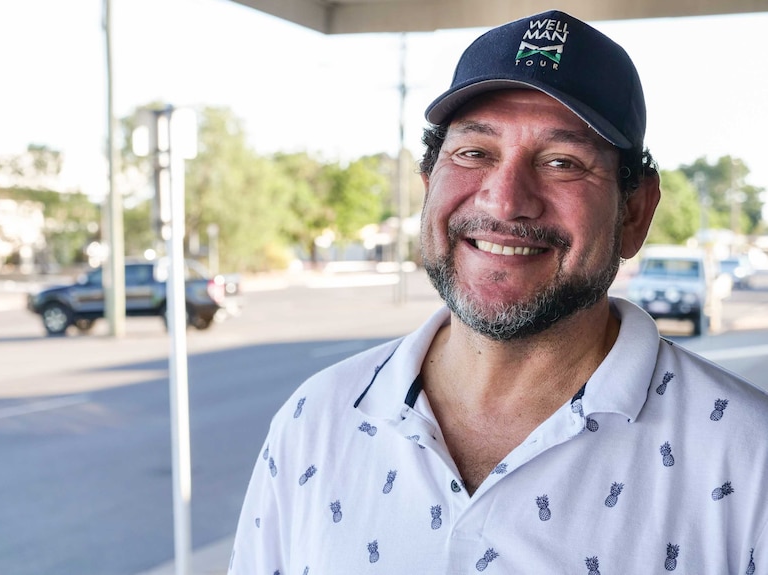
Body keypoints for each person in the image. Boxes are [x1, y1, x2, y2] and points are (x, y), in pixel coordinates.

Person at [228, 9, 767, 574]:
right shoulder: (316, 421)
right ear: (427, 186)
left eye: (563, 162)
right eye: (474, 153)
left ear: (635, 213)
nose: (504, 201)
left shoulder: (747, 459)